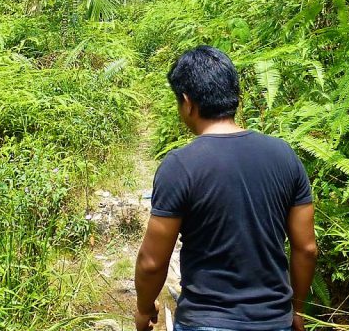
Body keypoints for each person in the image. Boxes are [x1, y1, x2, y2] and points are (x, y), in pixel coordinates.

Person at [134, 46, 317, 331]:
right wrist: (297, 310)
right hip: (274, 320)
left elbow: (152, 262)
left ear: (188, 102)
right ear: (235, 98)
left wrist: (144, 308)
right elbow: (306, 248)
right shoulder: (284, 155)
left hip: (206, 320)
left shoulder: (180, 165)